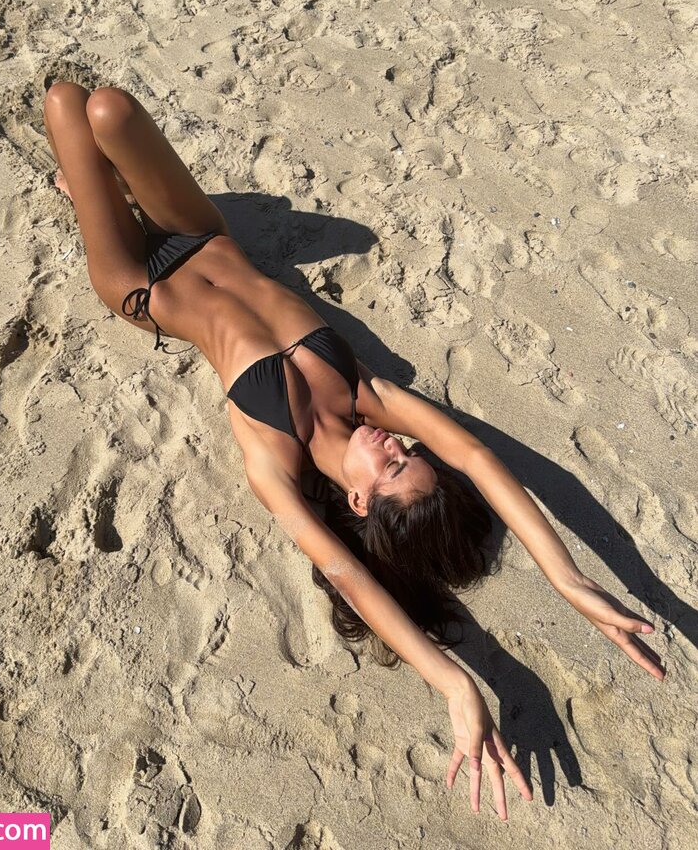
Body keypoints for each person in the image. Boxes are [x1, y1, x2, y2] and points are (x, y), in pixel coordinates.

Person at [42, 81, 665, 821]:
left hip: (138, 284)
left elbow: (350, 577)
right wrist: (569, 579)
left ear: (361, 500)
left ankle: (95, 196)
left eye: (393, 465)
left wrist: (455, 682)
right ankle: (99, 185)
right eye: (410, 450)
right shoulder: (364, 393)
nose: (395, 443)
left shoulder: (273, 460)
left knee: (64, 101)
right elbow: (477, 456)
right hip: (203, 234)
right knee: (108, 107)